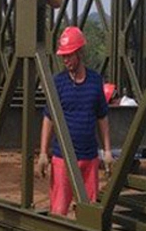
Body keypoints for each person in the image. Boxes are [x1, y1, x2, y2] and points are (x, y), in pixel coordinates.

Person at [36, 26, 113, 217]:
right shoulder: (58, 82)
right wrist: (43, 153)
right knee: (58, 210)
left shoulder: (95, 81)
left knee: (88, 213)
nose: (66, 60)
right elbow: (48, 118)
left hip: (89, 157)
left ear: (79, 53)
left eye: (69, 55)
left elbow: (102, 117)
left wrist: (108, 151)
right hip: (62, 158)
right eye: (63, 56)